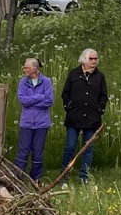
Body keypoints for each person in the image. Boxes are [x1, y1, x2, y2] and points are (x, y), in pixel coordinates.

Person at [60, 48, 107, 184]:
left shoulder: (100, 76)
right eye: (91, 58)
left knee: (88, 148)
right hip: (74, 117)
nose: (94, 61)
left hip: (92, 118)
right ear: (84, 59)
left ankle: (84, 177)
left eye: (96, 59)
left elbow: (104, 95)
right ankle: (64, 176)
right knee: (70, 146)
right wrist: (68, 106)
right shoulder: (74, 74)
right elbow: (65, 93)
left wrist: (100, 109)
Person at [14, 57, 54, 182]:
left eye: (26, 67)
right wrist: (39, 96)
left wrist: (32, 100)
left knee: (38, 151)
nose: (24, 69)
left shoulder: (46, 81)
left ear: (34, 68)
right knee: (23, 150)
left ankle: (36, 178)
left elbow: (49, 101)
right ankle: (18, 177)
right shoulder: (23, 82)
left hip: (42, 123)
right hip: (26, 123)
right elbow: (23, 101)